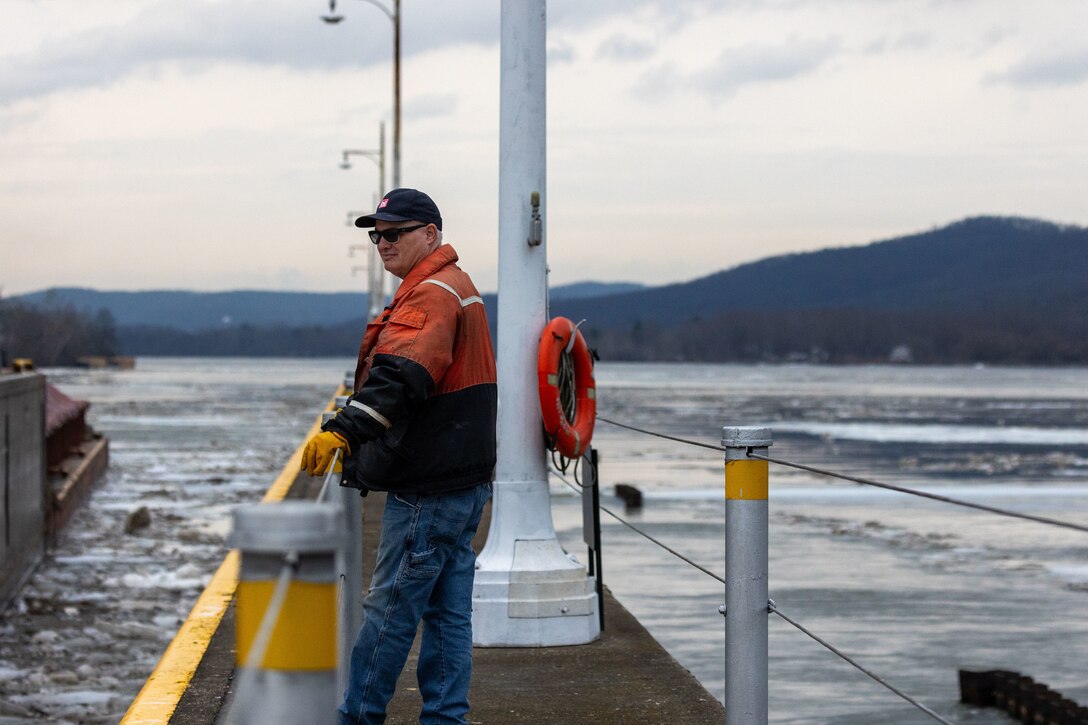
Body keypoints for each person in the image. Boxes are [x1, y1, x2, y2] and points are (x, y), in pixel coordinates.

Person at [300, 188, 497, 725]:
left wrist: (342, 431)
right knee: (449, 614)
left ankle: (357, 718)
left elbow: (401, 377)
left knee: (388, 612)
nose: (382, 243)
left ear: (430, 235)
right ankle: (445, 718)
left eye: (395, 233)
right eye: (377, 235)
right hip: (465, 478)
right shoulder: (457, 287)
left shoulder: (429, 294)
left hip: (430, 483)